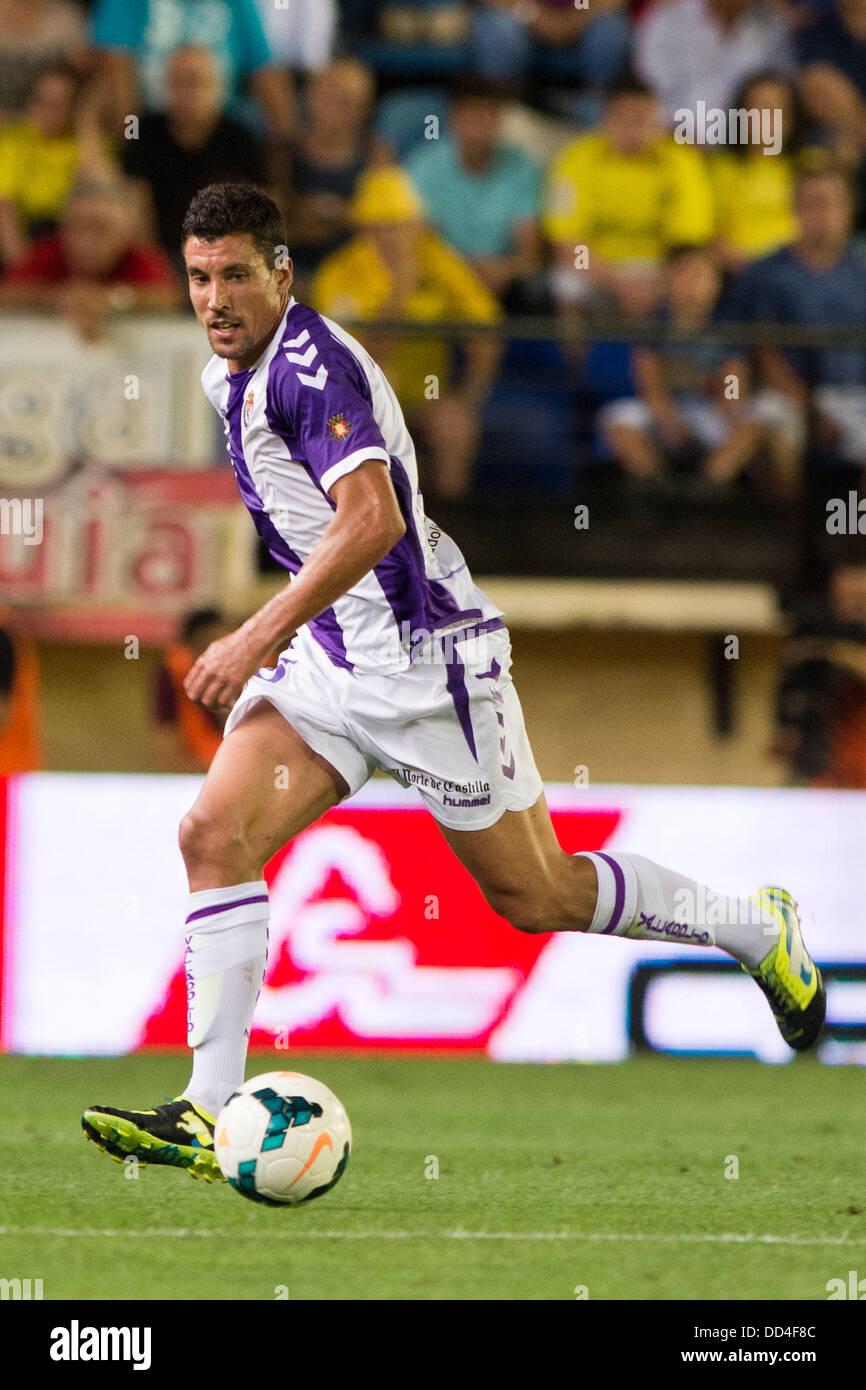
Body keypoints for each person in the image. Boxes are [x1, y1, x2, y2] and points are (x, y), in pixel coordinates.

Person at [81, 182, 825, 1182]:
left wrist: (251, 630)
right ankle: (205, 1109)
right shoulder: (230, 375)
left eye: (235, 277)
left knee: (538, 892)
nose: (213, 299)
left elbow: (371, 519)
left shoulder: (310, 369)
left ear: (282, 274)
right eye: (198, 277)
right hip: (334, 663)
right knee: (212, 834)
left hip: (429, 669)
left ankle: (751, 928)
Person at [312, 165, 502, 500]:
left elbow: (485, 323)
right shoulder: (338, 274)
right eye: (382, 227)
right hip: (360, 401)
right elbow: (353, 362)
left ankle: (444, 531)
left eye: (401, 225)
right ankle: (375, 532)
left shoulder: (436, 258)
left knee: (455, 425)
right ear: (364, 228)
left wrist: (471, 393)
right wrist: (399, 293)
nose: (393, 237)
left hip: (426, 395)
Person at [598, 243, 794, 496]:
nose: (693, 284)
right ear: (668, 279)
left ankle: (708, 486)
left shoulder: (727, 322)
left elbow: (734, 381)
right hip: (670, 410)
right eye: (684, 274)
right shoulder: (654, 322)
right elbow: (649, 381)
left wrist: (728, 411)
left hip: (715, 411)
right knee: (617, 419)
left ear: (717, 283)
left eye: (702, 275)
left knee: (765, 416)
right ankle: (657, 490)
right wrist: (667, 417)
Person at [728, 166, 866, 494]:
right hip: (788, 397)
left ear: (848, 209)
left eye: (830, 203)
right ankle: (794, 536)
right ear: (794, 210)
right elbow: (763, 352)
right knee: (771, 425)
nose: (821, 214)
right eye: (811, 204)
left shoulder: (861, 269)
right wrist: (811, 408)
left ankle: (852, 537)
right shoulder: (765, 273)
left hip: (857, 395)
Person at [545, 76, 714, 320]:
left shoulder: (682, 160)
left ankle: (679, 356)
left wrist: (659, 281)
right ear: (606, 120)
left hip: (660, 268)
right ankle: (574, 359)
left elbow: (688, 242)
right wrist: (616, 280)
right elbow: (570, 241)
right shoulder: (576, 159)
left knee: (696, 279)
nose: (634, 130)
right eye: (625, 120)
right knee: (567, 282)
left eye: (643, 120)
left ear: (658, 122)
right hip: (597, 265)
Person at [121, 45, 269, 269]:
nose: (189, 91)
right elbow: (134, 207)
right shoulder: (144, 134)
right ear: (167, 85)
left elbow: (262, 209)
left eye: (197, 81)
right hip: (163, 256)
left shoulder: (240, 138)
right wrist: (154, 264)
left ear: (217, 86)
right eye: (180, 81)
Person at [405, 77, 543, 305]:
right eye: (468, 118)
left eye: (485, 117)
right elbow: (415, 242)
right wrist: (458, 273)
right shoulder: (423, 167)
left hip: (504, 280)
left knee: (536, 290)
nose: (477, 129)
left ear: (499, 121)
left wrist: (503, 270)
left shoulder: (524, 169)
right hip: (442, 274)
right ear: (452, 120)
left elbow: (530, 255)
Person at [0, 179, 182, 339]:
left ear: (123, 233)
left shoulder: (137, 256)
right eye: (77, 226)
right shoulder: (47, 253)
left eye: (99, 228)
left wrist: (112, 299)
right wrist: (58, 298)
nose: (87, 240)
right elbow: (7, 294)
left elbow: (171, 299)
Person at [0, 61, 115, 266]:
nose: (45, 111)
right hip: (25, 237)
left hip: (74, 240)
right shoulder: (12, 139)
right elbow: (5, 210)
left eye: (57, 105)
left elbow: (105, 193)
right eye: (39, 101)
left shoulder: (88, 145)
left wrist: (86, 121)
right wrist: (25, 268)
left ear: (73, 110)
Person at [634, 0, 795, 124]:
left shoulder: (771, 25)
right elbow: (649, 88)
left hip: (748, 147)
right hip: (676, 138)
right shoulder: (668, 19)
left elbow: (781, 92)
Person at [152, 608, 231, 773]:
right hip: (194, 775)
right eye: (207, 643)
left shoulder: (256, 673)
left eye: (224, 643)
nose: (217, 654)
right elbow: (167, 749)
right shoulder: (173, 674)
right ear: (188, 645)